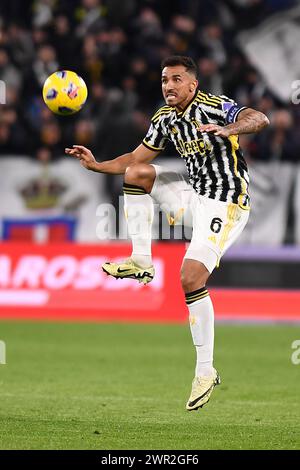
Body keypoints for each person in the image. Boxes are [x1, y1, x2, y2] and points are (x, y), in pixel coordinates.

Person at [65, 55, 269, 411]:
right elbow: (133, 158)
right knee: (138, 174)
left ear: (193, 84)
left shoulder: (215, 106)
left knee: (190, 278)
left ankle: (205, 371)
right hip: (194, 198)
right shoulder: (164, 118)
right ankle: (141, 259)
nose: (168, 86)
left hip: (226, 203)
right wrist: (97, 164)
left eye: (176, 80)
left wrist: (229, 129)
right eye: (164, 80)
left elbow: (259, 118)